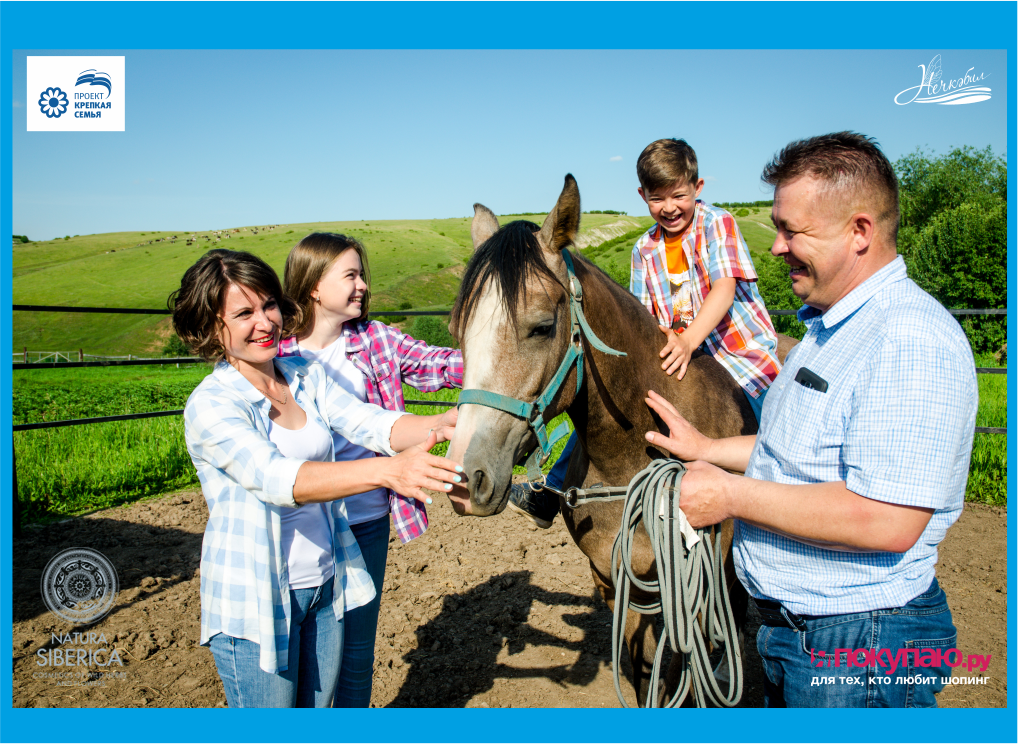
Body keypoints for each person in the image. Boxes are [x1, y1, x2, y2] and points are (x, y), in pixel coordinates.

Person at [643, 132, 977, 708]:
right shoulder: (827, 330)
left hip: (858, 641)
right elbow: (793, 457)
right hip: (802, 631)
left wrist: (730, 497)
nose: (774, 248)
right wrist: (707, 447)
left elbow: (887, 521)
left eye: (791, 231)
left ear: (860, 232)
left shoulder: (908, 338)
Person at [173, 248, 462, 708]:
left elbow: (372, 422)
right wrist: (389, 470)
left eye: (268, 305)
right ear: (212, 327)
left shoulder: (303, 376)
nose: (265, 322)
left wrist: (443, 424)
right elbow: (278, 478)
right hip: (257, 599)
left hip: (326, 585)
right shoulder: (211, 404)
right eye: (244, 313)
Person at [509, 137, 781, 528]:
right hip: (675, 352)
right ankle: (551, 491)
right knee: (613, 404)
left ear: (698, 189)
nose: (669, 208)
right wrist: (666, 341)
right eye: (657, 199)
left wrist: (689, 339)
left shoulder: (716, 223)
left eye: (679, 195)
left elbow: (724, 290)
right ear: (642, 196)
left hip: (736, 352)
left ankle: (778, 493)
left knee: (770, 420)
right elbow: (643, 315)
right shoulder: (644, 249)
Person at [279, 232, 462, 707]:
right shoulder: (275, 355)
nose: (362, 285)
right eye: (350, 275)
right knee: (306, 664)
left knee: (357, 659)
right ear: (314, 285)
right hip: (302, 529)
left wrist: (501, 359)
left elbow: (437, 363)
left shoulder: (375, 340)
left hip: (365, 518)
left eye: (362, 274)